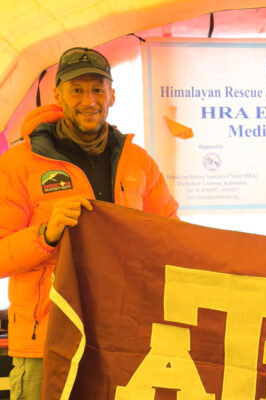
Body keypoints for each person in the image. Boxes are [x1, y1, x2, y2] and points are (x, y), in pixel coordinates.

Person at [0, 47, 178, 399]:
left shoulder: (138, 162)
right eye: (77, 90)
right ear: (58, 94)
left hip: (123, 341)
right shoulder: (19, 163)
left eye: (97, 89)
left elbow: (173, 238)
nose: (89, 100)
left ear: (112, 95)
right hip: (46, 343)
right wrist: (46, 234)